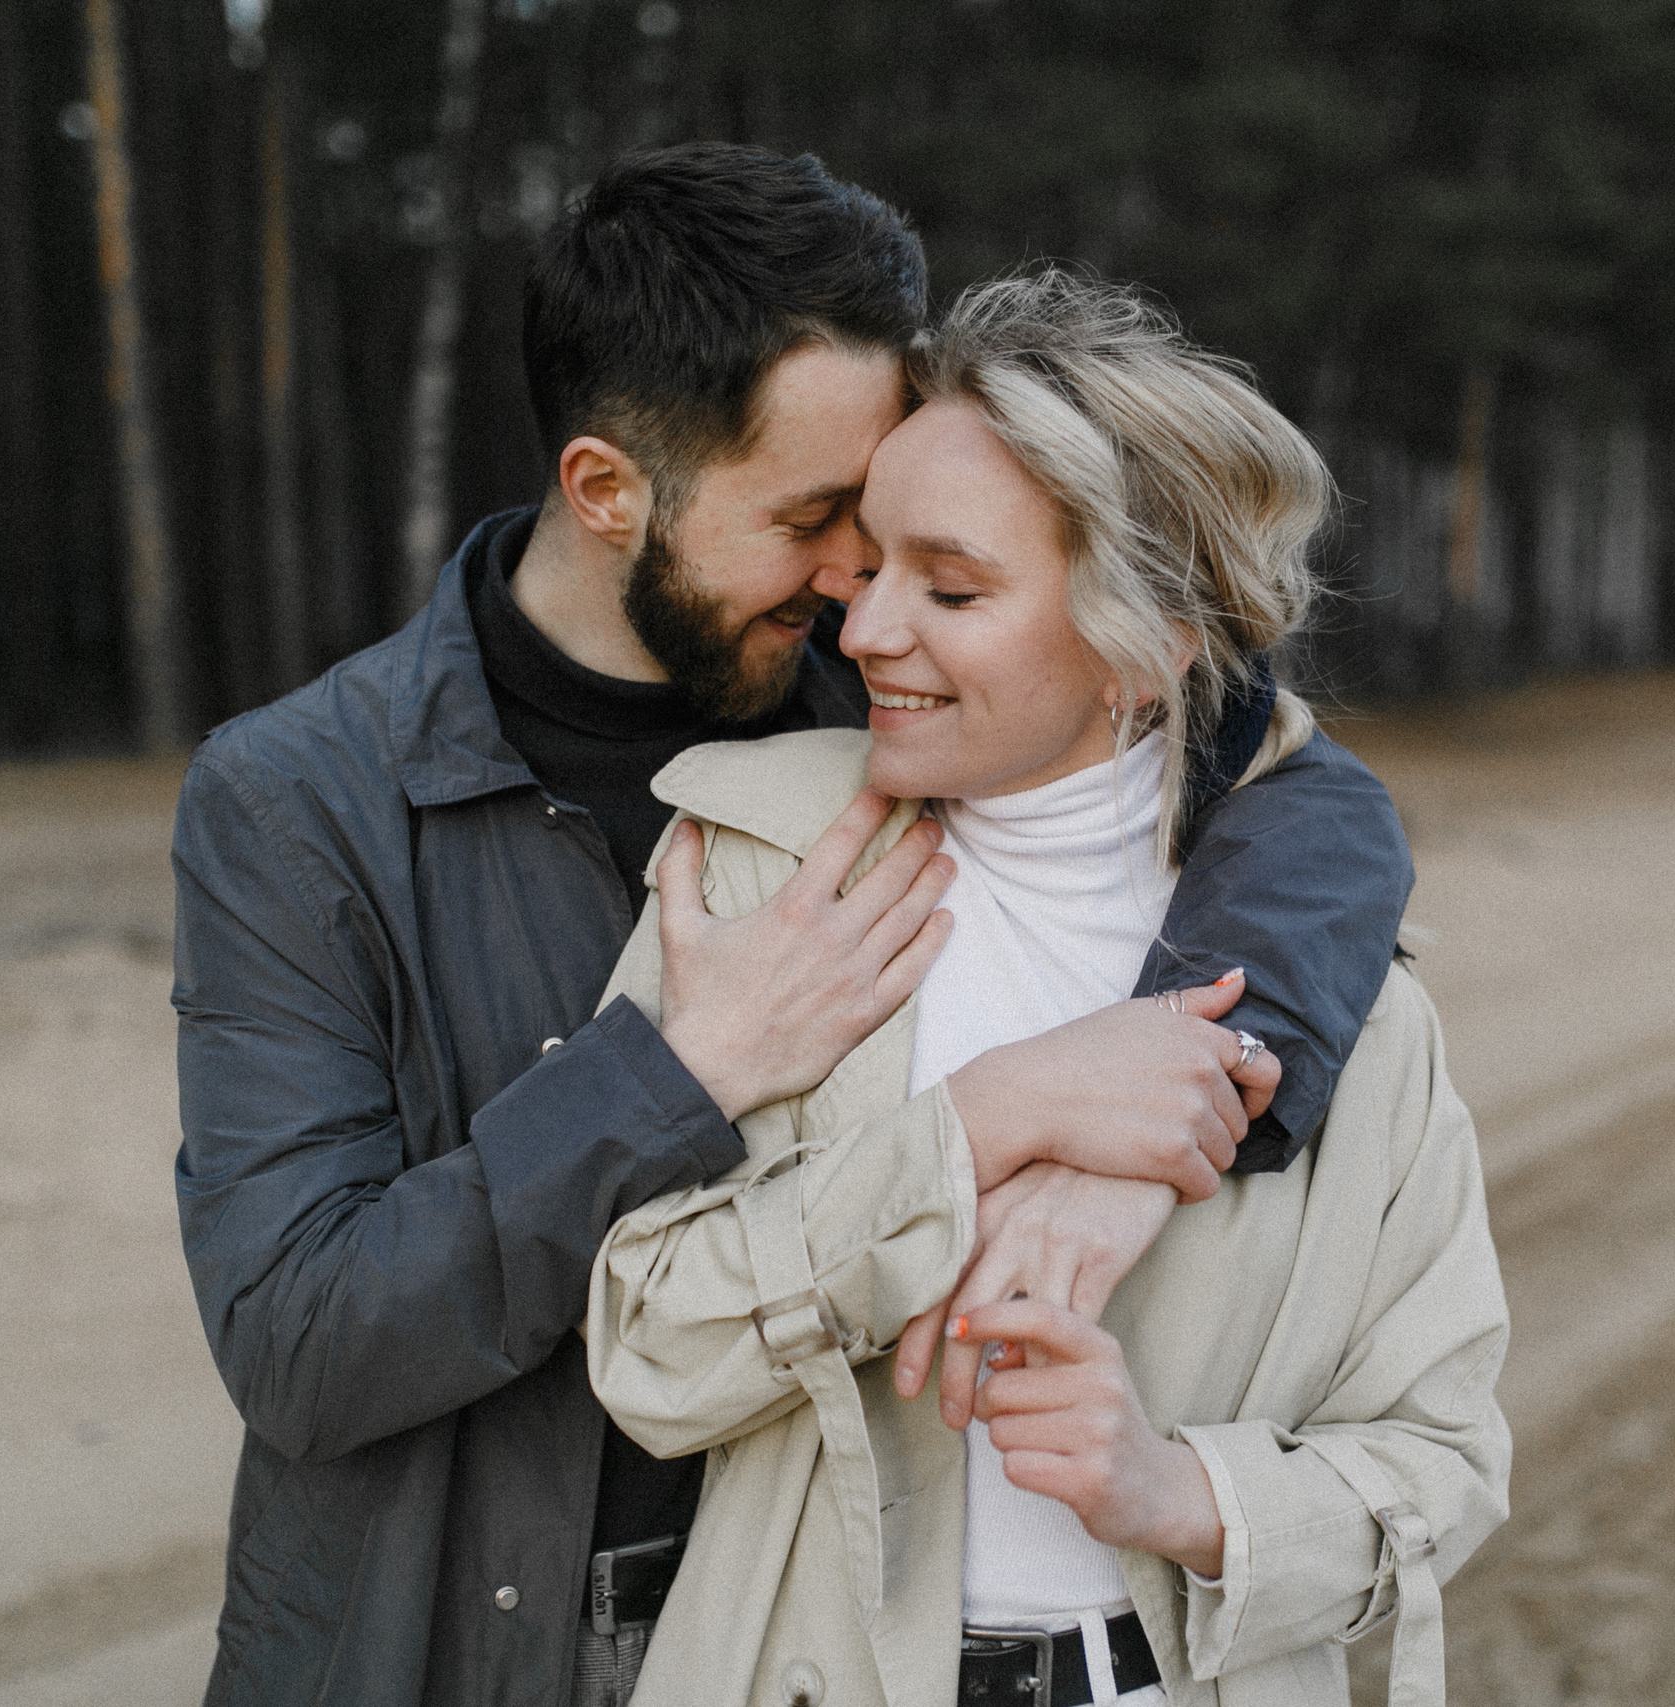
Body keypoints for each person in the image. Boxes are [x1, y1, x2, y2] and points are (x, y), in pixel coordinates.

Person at [171, 147, 1412, 1704]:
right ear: (608, 490)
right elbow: (303, 1345)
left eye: (892, 526)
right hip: (439, 1650)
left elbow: (1308, 797)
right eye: (820, 516)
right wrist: (675, 1071)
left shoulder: (883, 704)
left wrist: (1184, 1088)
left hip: (789, 1643)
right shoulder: (301, 801)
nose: (858, 584)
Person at [584, 272, 1509, 1707]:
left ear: (1147, 644)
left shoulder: (1350, 1003)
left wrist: (1180, 1493)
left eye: (951, 588)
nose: (867, 629)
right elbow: (643, 1349)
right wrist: (967, 1132)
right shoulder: (752, 875)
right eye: (873, 561)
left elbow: (1445, 1460)